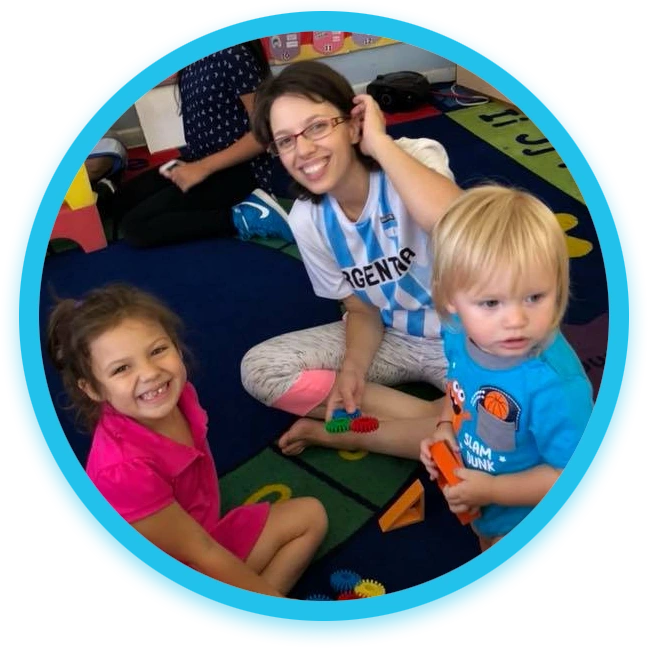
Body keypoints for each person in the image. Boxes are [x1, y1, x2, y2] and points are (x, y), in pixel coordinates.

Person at [240, 60, 464, 459]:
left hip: (466, 337)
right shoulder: (307, 219)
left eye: (317, 126)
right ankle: (440, 418)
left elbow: (461, 226)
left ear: (354, 123)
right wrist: (352, 372)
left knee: (520, 423)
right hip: (393, 338)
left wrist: (378, 143)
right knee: (262, 369)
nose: (303, 149)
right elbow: (361, 310)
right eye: (286, 141)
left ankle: (346, 434)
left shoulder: (414, 158)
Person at [45, 283, 327, 597]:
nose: (150, 373)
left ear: (177, 348)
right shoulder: (123, 471)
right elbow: (200, 552)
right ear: (93, 389)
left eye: (157, 350)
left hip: (200, 535)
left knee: (311, 515)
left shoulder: (179, 395)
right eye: (122, 368)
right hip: (169, 579)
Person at [418, 184, 594, 552]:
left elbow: (576, 479)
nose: (515, 319)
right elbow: (457, 395)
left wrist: (493, 489)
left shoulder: (555, 386)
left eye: (534, 297)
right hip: (484, 503)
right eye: (491, 302)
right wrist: (443, 431)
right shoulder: (457, 334)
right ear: (451, 300)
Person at [109, 40, 294, 248]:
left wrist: (201, 168)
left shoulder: (232, 53)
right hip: (198, 159)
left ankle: (245, 216)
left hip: (240, 169)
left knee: (136, 226)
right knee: (121, 202)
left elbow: (265, 133)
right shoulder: (192, 58)